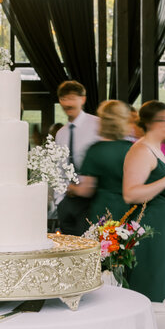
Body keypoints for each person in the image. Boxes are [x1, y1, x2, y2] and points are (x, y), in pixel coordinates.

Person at [123, 100, 165, 308]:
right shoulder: (141, 150)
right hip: (152, 229)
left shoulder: (158, 149)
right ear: (149, 123)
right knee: (154, 284)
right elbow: (130, 194)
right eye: (164, 120)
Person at [69, 100, 132, 223]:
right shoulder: (132, 149)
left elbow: (86, 190)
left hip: (102, 211)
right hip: (128, 209)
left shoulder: (95, 150)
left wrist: (70, 188)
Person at [55, 80, 100, 236]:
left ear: (83, 99)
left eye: (72, 98)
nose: (67, 103)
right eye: (63, 99)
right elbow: (58, 169)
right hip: (67, 202)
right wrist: (59, 201)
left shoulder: (97, 125)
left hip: (91, 201)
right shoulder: (61, 133)